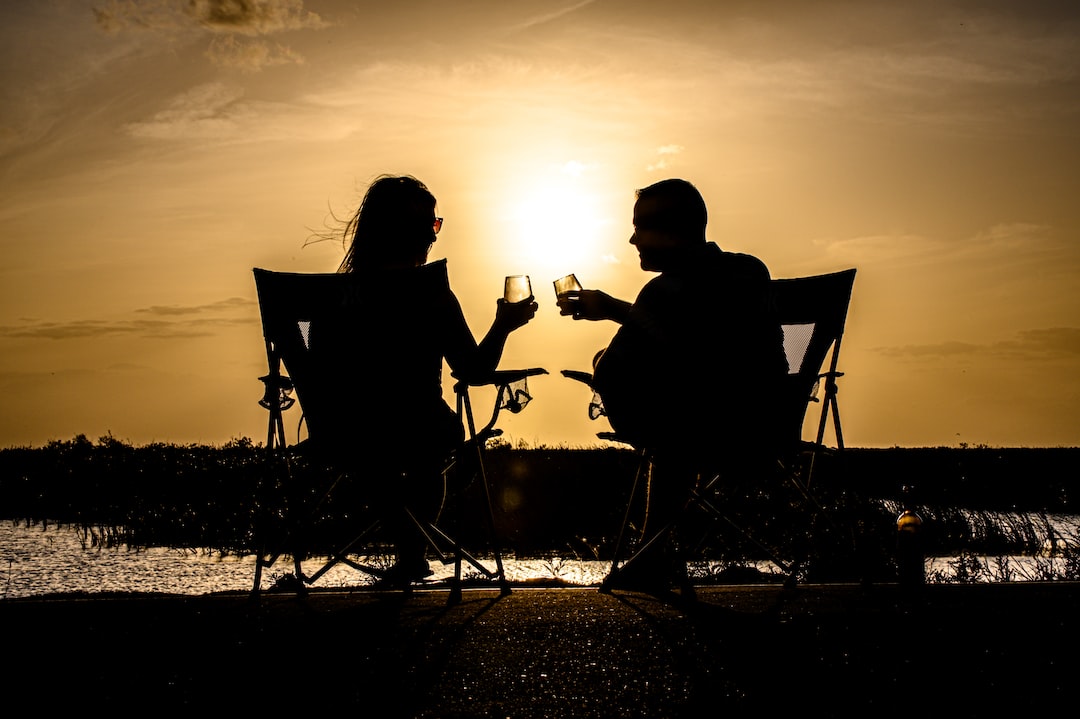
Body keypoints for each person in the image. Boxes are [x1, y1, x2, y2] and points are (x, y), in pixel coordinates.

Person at [558, 178, 788, 592]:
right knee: (678, 422)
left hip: (705, 430)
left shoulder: (662, 292)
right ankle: (655, 553)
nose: (631, 239)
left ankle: (653, 556)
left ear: (671, 229)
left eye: (639, 227)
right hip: (768, 425)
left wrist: (613, 316)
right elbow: (715, 353)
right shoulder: (752, 271)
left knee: (669, 430)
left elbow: (616, 372)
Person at [318, 174, 537, 585]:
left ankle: (409, 552)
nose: (433, 236)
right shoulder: (429, 292)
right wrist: (504, 325)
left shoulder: (333, 297)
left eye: (437, 225)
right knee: (433, 452)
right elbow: (473, 372)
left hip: (342, 432)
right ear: (403, 231)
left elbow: (315, 361)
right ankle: (412, 552)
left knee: (382, 452)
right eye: (428, 225)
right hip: (421, 430)